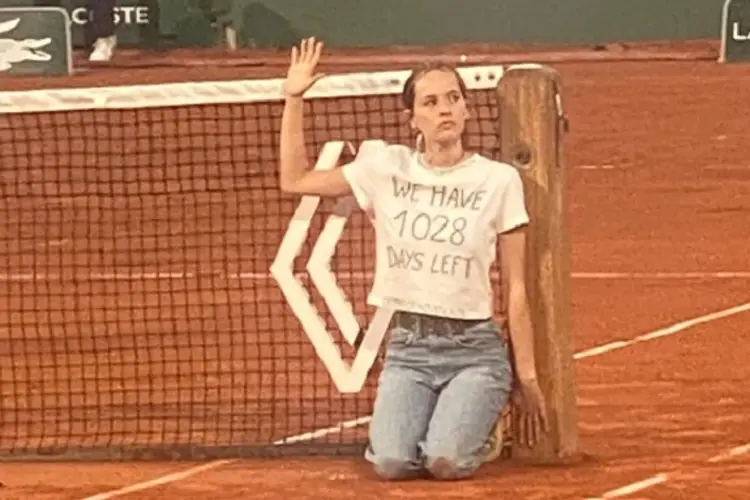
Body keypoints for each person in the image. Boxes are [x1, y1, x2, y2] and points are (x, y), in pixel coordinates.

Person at [279, 37, 549, 481]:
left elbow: (516, 287)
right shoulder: (386, 168)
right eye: (431, 102)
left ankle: (480, 424)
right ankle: (447, 422)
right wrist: (293, 98)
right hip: (409, 350)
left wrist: (529, 377)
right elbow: (296, 180)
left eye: (453, 99)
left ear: (466, 111)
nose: (444, 109)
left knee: (445, 463)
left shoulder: (498, 180)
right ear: (413, 120)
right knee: (390, 463)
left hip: (475, 350)